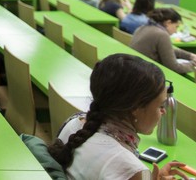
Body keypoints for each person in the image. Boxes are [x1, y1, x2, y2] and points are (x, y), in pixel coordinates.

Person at [49, 53, 188, 180]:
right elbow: (120, 168)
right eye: (160, 106)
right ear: (135, 108)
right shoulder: (129, 168)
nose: (163, 112)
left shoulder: (74, 123)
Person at [130, 8, 196, 73]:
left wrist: (190, 56)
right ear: (168, 23)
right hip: (144, 75)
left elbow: (168, 50)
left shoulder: (143, 27)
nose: (176, 31)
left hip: (135, 70)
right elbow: (174, 68)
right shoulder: (161, 34)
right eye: (176, 27)